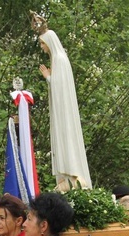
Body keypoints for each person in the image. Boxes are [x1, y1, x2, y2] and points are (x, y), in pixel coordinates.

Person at [34, 15, 92, 191]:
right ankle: (66, 176)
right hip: (61, 110)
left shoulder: (59, 59)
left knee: (66, 137)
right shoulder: (59, 59)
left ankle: (71, 175)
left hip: (64, 111)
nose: (42, 48)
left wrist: (48, 77)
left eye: (43, 44)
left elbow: (60, 88)